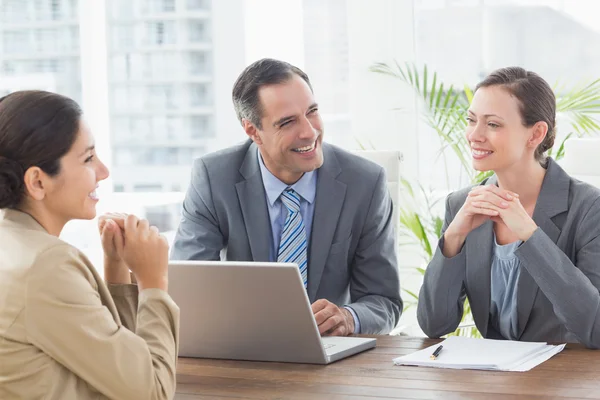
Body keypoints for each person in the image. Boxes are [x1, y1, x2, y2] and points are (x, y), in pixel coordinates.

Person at [171, 58, 402, 335]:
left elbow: (384, 302)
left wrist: (349, 317)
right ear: (253, 131)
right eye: (288, 122)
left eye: (312, 111)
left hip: (332, 356)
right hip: (243, 347)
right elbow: (189, 291)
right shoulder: (213, 179)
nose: (309, 132)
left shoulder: (364, 183)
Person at [0, 90, 179, 399]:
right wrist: (154, 282)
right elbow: (153, 390)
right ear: (38, 182)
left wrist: (116, 265)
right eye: (88, 158)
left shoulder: (14, 243)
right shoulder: (47, 266)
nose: (103, 172)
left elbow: (114, 363)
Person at [417, 67, 600, 348]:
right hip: (493, 383)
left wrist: (530, 235)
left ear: (536, 133)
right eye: (471, 120)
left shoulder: (588, 208)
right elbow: (435, 325)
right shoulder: (461, 206)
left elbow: (594, 327)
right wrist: (453, 239)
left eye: (493, 124)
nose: (474, 135)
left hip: (565, 380)